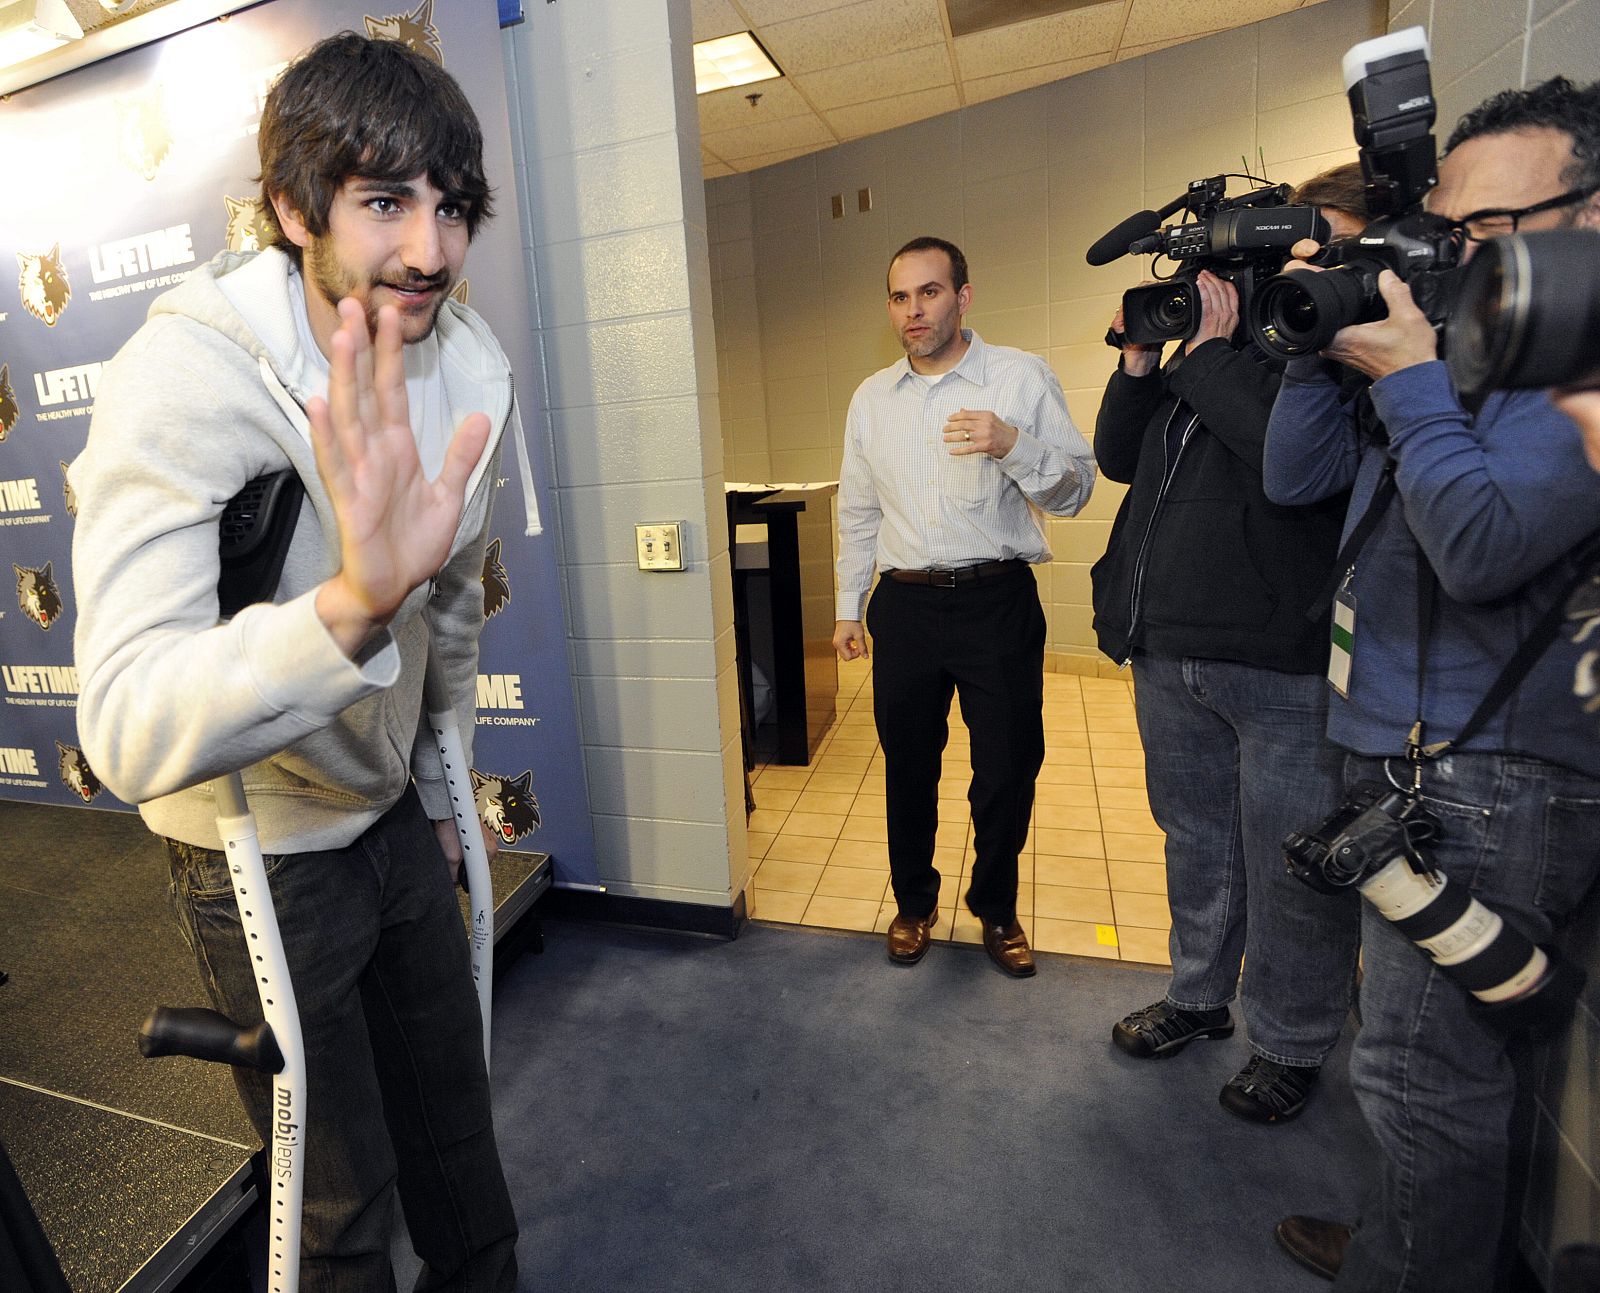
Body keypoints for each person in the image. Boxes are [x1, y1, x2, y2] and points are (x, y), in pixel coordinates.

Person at [71, 33, 524, 1289]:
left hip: (386, 811)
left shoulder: (469, 366)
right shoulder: (190, 373)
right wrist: (347, 610)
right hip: (254, 837)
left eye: (452, 208)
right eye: (385, 202)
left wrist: (438, 800)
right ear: (292, 207)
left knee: (457, 1130)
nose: (428, 252)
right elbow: (120, 720)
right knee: (333, 1194)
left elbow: (454, 623)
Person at [1261, 78, 1600, 1292]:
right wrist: (1321, 343)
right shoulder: (1463, 341)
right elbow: (1296, 481)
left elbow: (1484, 546)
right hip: (1410, 746)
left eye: (1488, 231)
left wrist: (1406, 380)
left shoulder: (1579, 367)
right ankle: (1417, 1246)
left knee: (1417, 1070)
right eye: (1445, 231)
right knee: (1405, 1063)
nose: (1453, 256)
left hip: (1489, 774)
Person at [1091, 165, 1369, 1123]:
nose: (1283, 266)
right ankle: (1199, 997)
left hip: (1282, 661)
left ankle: (1291, 1041)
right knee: (1197, 842)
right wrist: (1138, 363)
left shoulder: (1331, 343)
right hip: (1171, 646)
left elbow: (1297, 472)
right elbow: (1121, 460)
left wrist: (1205, 355)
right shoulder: (1201, 351)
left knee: (1289, 865)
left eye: (1308, 245)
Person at [832, 236, 1096, 977]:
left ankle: (996, 903)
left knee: (1009, 768)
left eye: (929, 292)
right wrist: (849, 605)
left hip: (998, 601)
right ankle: (914, 903)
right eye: (899, 296)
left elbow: (1076, 488)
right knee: (908, 769)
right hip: (906, 608)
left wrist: (1013, 443)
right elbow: (856, 510)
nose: (913, 310)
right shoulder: (871, 399)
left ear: (963, 296)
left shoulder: (1018, 378)